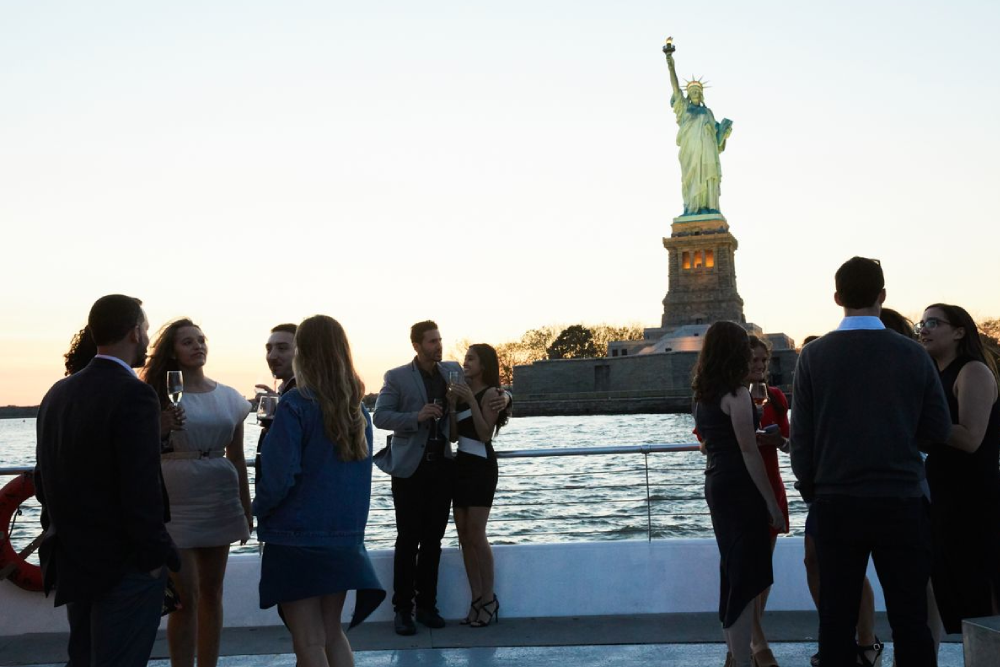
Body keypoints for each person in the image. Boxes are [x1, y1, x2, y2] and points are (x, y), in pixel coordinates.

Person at [790, 257, 952, 667]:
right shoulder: (914, 355)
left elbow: (802, 439)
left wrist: (814, 489)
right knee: (910, 619)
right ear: (882, 296)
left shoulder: (814, 357)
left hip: (836, 502)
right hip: (901, 500)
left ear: (837, 298)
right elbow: (936, 427)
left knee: (836, 620)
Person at [35, 295, 179, 666]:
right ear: (134, 332)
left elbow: (43, 482)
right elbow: (140, 486)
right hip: (124, 565)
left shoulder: (57, 394)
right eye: (145, 330)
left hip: (74, 559)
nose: (147, 338)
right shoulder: (134, 394)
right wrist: (153, 558)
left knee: (82, 658)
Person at [253, 315, 385, 667]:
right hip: (343, 539)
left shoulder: (295, 405)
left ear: (303, 352)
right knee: (331, 633)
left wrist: (256, 510)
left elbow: (280, 478)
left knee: (308, 642)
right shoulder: (358, 412)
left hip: (295, 539)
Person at [143, 319, 252, 667]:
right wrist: (159, 427)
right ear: (172, 351)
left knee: (212, 594)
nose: (197, 346)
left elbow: (237, 458)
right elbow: (138, 453)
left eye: (200, 340)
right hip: (176, 497)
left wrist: (246, 510)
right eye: (187, 342)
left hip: (219, 496)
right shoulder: (156, 396)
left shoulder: (230, 397)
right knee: (185, 597)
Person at [692, 321, 786, 667]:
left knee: (732, 572)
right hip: (740, 486)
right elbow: (749, 452)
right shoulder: (737, 395)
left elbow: (708, 441)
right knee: (747, 580)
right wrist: (771, 503)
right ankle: (744, 657)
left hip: (715, 483)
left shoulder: (702, 395)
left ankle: (736, 654)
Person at [372, 320, 463, 635]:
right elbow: (380, 417)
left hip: (443, 467)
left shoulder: (452, 371)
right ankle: (402, 611)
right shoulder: (396, 377)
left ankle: (428, 607)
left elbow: (476, 396)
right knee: (408, 540)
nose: (438, 346)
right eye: (431, 341)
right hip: (410, 469)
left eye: (439, 340)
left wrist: (502, 400)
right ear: (416, 345)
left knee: (434, 540)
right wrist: (416, 416)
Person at [918, 304, 1000, 641]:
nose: (923, 328)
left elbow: (970, 437)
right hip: (945, 499)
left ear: (959, 331)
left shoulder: (973, 371)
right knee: (961, 596)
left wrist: (917, 421)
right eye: (922, 323)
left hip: (974, 500)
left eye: (933, 322)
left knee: (983, 594)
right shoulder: (935, 374)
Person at [447, 344, 509, 628]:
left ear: (484, 364)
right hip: (460, 466)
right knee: (463, 536)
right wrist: (450, 406)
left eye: (471, 358)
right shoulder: (460, 394)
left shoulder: (493, 395)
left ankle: (489, 599)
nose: (465, 362)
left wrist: (471, 400)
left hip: (482, 468)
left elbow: (485, 434)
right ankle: (475, 599)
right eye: (465, 358)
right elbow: (452, 436)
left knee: (476, 534)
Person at [744, 335, 789, 667]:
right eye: (753, 361)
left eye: (763, 361)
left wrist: (778, 439)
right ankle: (758, 644)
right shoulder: (726, 398)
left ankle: (742, 641)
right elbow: (708, 441)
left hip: (772, 486)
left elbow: (788, 442)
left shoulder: (776, 397)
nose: (759, 367)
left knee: (763, 574)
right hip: (741, 490)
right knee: (747, 571)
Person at [664, 45, 732, 215]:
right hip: (691, 152)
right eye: (692, 91)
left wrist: (724, 133)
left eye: (697, 91)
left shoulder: (707, 112)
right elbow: (675, 87)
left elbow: (717, 141)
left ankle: (709, 207)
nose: (694, 93)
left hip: (707, 152)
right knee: (692, 179)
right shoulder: (684, 109)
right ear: (688, 94)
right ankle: (692, 208)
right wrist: (670, 62)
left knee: (708, 177)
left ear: (701, 95)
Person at [254, 323, 298, 475]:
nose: (272, 356)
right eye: (269, 349)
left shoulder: (304, 397)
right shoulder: (284, 394)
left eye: (282, 348)